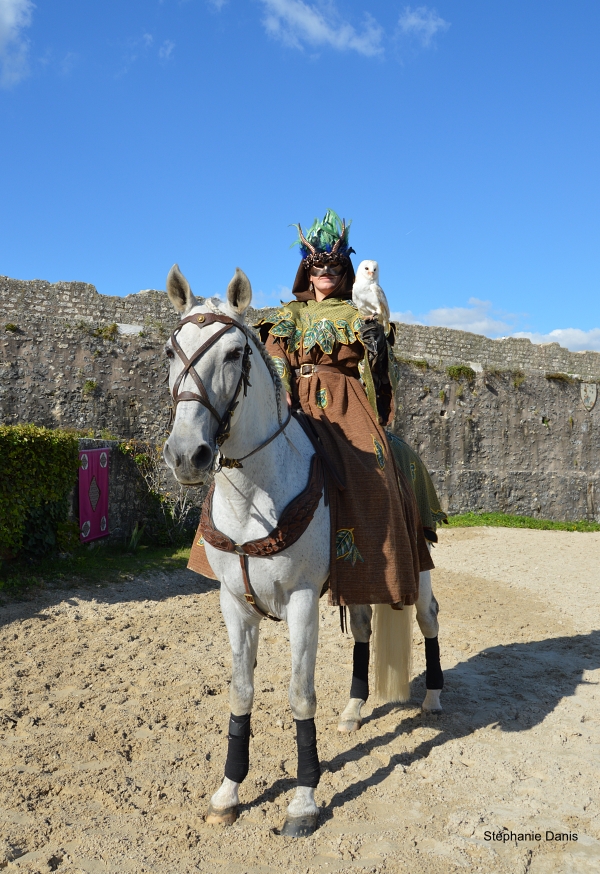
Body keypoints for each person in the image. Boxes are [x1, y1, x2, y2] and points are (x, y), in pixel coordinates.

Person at [256, 210, 442, 609]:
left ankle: (382, 568)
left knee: (373, 472)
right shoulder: (286, 315)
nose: (326, 272)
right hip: (291, 400)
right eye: (317, 265)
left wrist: (378, 346)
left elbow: (379, 368)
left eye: (335, 266)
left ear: (346, 271)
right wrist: (280, 387)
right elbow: (273, 352)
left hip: (344, 401)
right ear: (306, 271)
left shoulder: (359, 315)